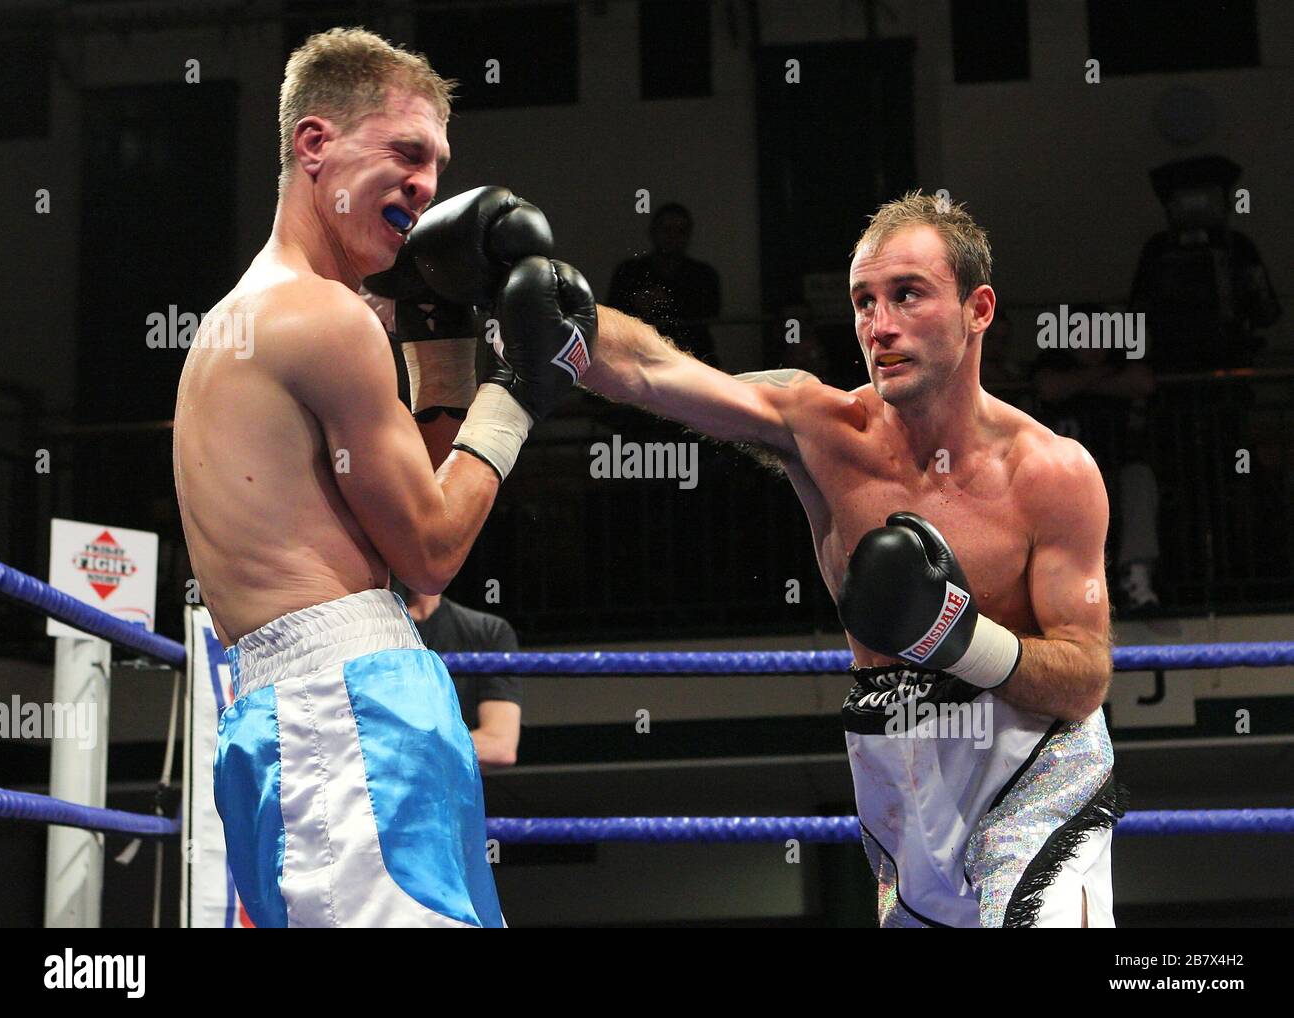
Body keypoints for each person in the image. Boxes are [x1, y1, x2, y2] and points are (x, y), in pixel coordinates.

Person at [582, 192, 1123, 927]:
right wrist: (547, 303)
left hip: (1035, 769)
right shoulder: (822, 429)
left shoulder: (1052, 473)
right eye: (865, 302)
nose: (880, 326)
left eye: (907, 295)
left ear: (979, 309)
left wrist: (959, 640)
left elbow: (1085, 679)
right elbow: (648, 369)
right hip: (899, 778)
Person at [172, 28, 595, 928]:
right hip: (346, 716)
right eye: (405, 152)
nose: (427, 184)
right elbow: (434, 552)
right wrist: (519, 393)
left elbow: (406, 514)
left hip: (298, 716)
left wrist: (438, 330)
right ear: (314, 143)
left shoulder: (252, 315)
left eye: (437, 164)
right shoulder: (321, 318)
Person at [1032, 304, 1161, 612]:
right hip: (1062, 475)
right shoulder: (1053, 362)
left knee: (1140, 479)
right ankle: (1066, 590)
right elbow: (1049, 389)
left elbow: (1143, 382)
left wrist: (1084, 381)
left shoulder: (1122, 360)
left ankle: (1136, 580)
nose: (1091, 343)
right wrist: (1097, 379)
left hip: (1115, 469)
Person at [396, 581, 522, 770]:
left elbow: (500, 745)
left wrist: (401, 751)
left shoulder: (487, 631)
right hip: (375, 789)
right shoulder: (360, 634)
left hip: (454, 789)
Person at [607, 203, 721, 366]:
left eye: (680, 231)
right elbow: (612, 312)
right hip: (638, 355)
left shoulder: (703, 274)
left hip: (693, 355)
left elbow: (711, 311)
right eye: (666, 229)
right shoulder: (630, 271)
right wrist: (638, 303)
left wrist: (665, 301)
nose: (672, 236)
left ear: (688, 235)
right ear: (653, 232)